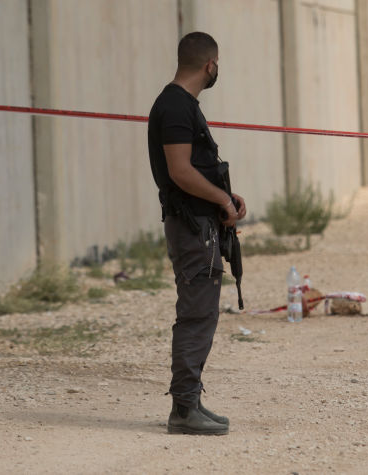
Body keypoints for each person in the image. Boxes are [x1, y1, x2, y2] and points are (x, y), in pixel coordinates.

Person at [147, 31, 246, 436]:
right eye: (217, 64)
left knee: (201, 314)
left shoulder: (182, 105)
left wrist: (224, 195)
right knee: (196, 316)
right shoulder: (174, 106)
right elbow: (180, 171)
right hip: (192, 228)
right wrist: (222, 203)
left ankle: (192, 402)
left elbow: (195, 170)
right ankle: (184, 409)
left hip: (199, 224)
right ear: (210, 65)